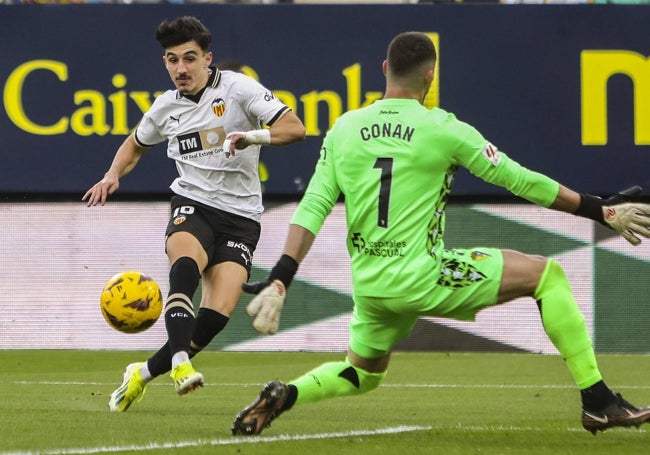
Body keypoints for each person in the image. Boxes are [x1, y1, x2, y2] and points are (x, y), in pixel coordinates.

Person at [230, 31, 650, 436]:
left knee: (362, 372)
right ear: (431, 75)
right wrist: (600, 209)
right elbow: (519, 181)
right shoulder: (444, 128)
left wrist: (282, 276)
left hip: (372, 286)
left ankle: (287, 395)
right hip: (421, 276)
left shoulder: (344, 128)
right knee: (547, 276)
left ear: (384, 68)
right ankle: (597, 400)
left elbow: (314, 205)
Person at [82, 15, 305, 412]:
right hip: (192, 203)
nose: (180, 69)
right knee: (184, 265)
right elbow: (134, 144)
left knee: (215, 318)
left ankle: (143, 373)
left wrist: (251, 136)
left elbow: (295, 128)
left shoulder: (238, 89)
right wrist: (112, 174)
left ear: (207, 59)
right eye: (172, 60)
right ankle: (180, 364)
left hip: (241, 216)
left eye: (189, 58)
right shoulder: (166, 108)